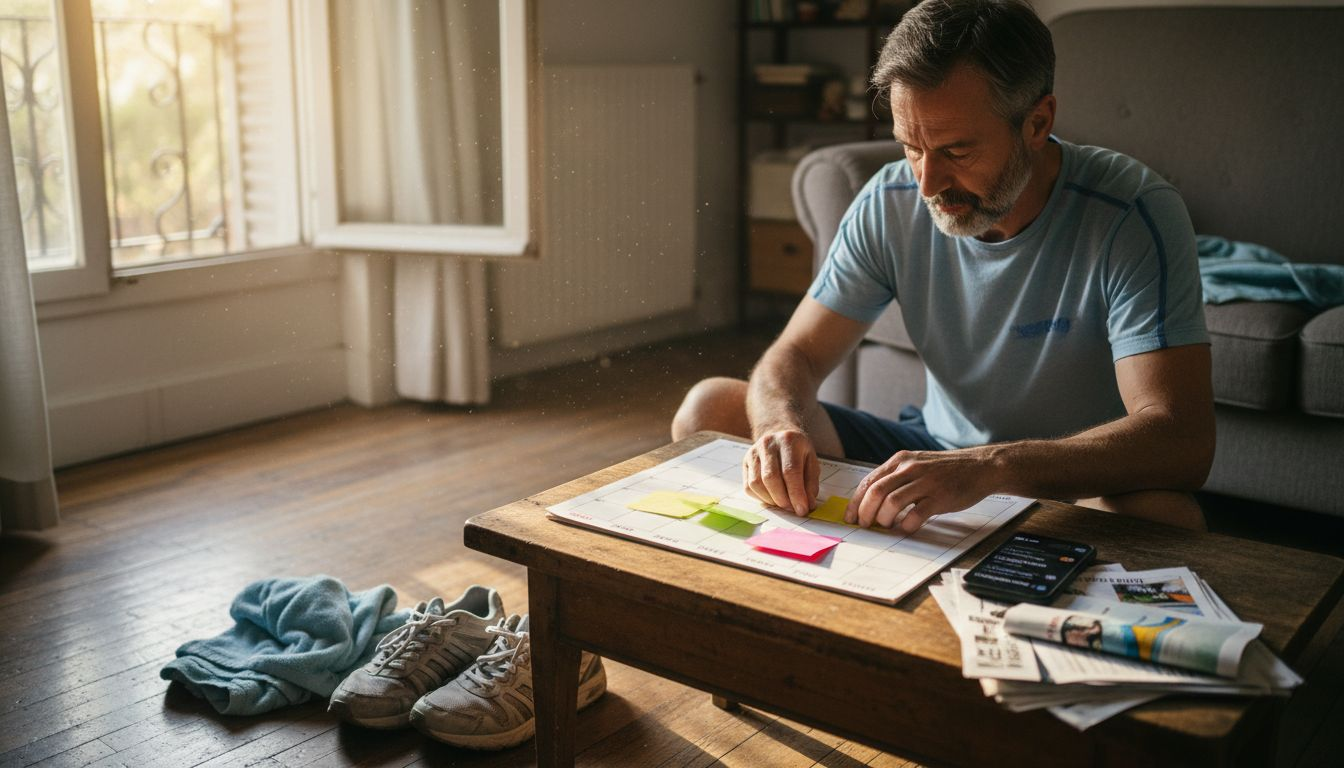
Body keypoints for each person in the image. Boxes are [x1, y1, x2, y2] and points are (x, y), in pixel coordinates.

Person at [672, 0, 1214, 532]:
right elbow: (797, 353)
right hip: (935, 453)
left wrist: (990, 468)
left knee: (1167, 517)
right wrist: (777, 429)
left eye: (956, 151)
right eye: (911, 147)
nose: (927, 184)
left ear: (1037, 122)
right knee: (710, 409)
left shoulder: (1133, 213)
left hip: (1071, 480)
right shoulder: (889, 201)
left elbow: (1182, 440)